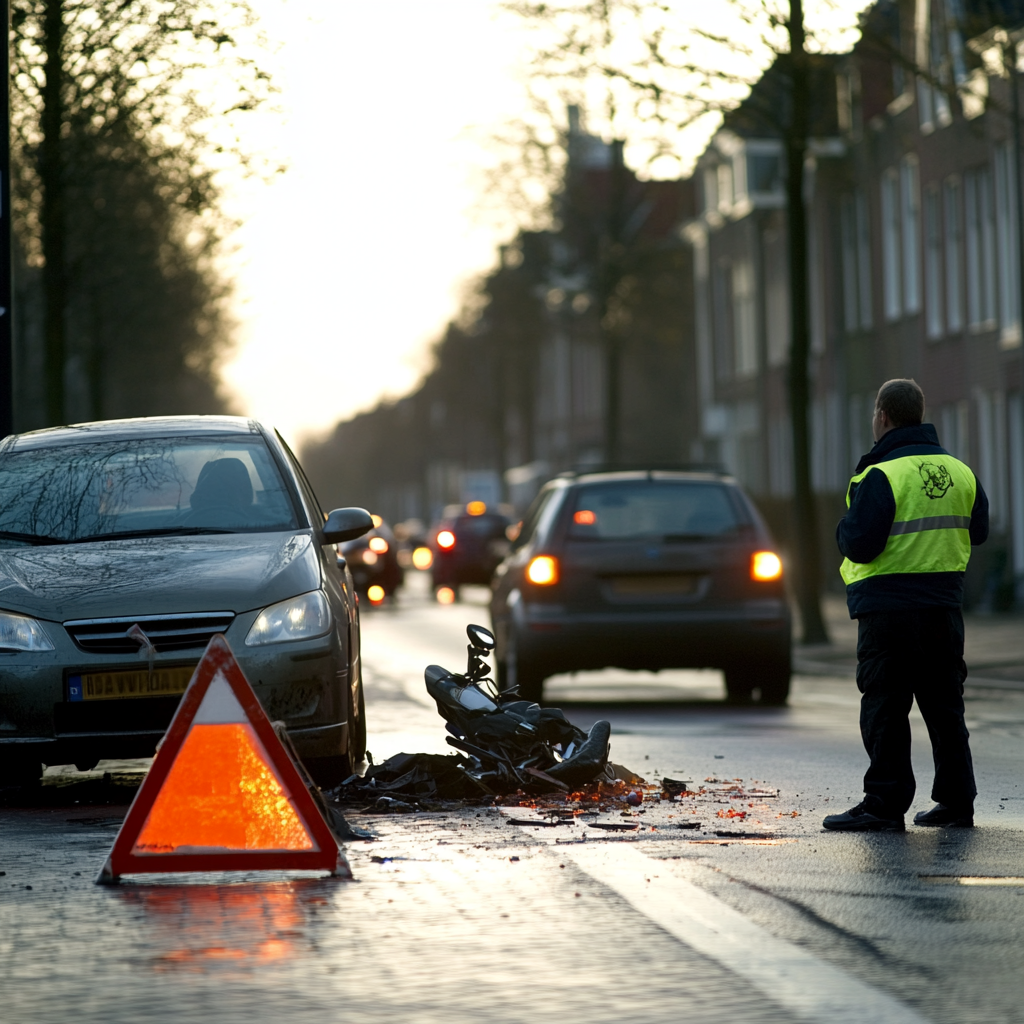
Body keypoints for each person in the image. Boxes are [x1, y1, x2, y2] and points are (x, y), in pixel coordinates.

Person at [823, 379, 989, 832]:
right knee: (944, 708)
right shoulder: (960, 471)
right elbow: (978, 531)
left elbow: (859, 543)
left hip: (888, 612)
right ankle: (957, 804)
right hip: (942, 610)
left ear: (883, 416)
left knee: (885, 707)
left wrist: (842, 527)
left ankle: (884, 803)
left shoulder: (881, 474)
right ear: (920, 413)